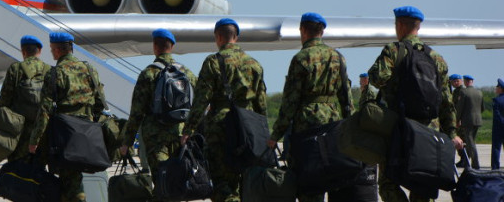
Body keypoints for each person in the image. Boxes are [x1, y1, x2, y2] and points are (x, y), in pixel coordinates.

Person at [368, 6, 463, 202]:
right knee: (423, 185)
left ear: (400, 25)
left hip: (399, 128)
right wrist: (452, 132)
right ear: (418, 27)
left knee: (388, 183)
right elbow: (446, 101)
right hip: (429, 130)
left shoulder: (393, 51)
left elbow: (376, 78)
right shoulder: (436, 58)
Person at [266, 13, 353, 202]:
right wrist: (350, 126)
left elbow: (290, 102)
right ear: (322, 31)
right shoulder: (338, 57)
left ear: (303, 30)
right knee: (333, 173)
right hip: (332, 121)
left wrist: (276, 135)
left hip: (306, 124)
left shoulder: (301, 58)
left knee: (309, 181)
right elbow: (346, 98)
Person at [181, 18, 267, 202]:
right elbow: (261, 103)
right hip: (249, 128)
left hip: (221, 128)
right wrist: (265, 135)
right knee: (247, 183)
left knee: (222, 185)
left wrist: (188, 130)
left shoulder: (213, 62)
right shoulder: (254, 64)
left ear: (218, 37)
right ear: (235, 37)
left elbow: (201, 100)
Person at [29, 31, 107, 202]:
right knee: (75, 177)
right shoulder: (89, 69)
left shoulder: (55, 73)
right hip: (86, 133)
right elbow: (101, 103)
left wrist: (35, 140)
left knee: (68, 180)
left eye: (52, 49)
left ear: (57, 50)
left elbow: (45, 110)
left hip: (65, 135)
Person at [120, 28, 197, 172]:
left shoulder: (148, 73)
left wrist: (127, 142)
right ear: (172, 47)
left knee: (161, 178)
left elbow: (137, 112)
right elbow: (200, 102)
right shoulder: (186, 72)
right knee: (178, 178)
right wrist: (189, 130)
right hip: (179, 134)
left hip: (155, 137)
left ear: (155, 47)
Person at [0, 35, 51, 163]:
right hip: (42, 130)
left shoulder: (16, 69)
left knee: (17, 168)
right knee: (38, 168)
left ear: (23, 51)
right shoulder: (49, 70)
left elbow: (5, 99)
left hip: (19, 130)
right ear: (39, 51)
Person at [457, 74, 484, 169]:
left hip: (468, 121)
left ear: (465, 81)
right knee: (471, 141)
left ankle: (475, 164)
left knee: (470, 142)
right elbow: (482, 108)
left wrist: (457, 120)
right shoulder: (479, 92)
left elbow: (460, 108)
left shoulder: (464, 92)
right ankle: (466, 161)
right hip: (478, 120)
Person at [450, 73, 467, 167]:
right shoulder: (456, 92)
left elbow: (461, 107)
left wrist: (459, 119)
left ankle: (465, 159)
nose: (456, 83)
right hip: (457, 118)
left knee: (462, 140)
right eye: (454, 81)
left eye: (457, 81)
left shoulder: (462, 91)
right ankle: (463, 159)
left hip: (461, 119)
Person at [492, 78, 504, 170]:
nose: (496, 88)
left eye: (497, 87)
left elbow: (497, 115)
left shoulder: (497, 100)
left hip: (498, 128)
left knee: (496, 148)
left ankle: (495, 167)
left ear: (500, 88)